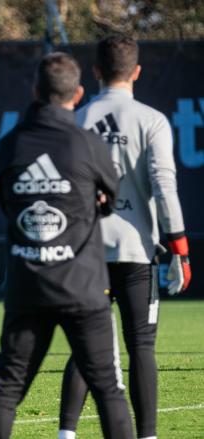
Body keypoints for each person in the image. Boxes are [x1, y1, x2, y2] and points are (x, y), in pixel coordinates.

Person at [0, 52, 133, 439]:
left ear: (35, 91)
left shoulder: (9, 145)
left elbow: (5, 203)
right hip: (83, 288)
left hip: (27, 286)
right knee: (109, 392)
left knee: (7, 390)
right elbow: (110, 201)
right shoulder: (88, 144)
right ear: (78, 93)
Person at [58, 35, 191, 439]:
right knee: (141, 348)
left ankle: (66, 435)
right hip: (136, 251)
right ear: (136, 72)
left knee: (85, 346)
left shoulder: (75, 120)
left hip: (86, 252)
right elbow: (164, 187)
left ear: (95, 72)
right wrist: (181, 250)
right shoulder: (152, 120)